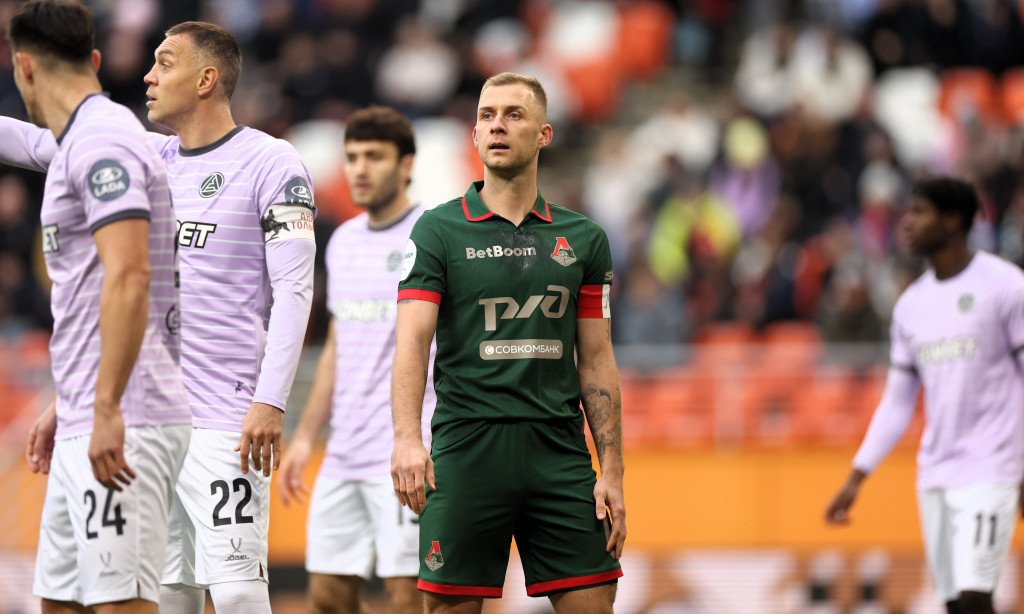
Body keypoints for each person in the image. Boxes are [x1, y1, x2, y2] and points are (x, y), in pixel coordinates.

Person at [0, 21, 316, 614]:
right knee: (169, 594)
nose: (147, 76)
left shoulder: (271, 162)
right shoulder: (148, 156)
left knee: (238, 591)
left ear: (206, 79)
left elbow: (295, 289)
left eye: (164, 63)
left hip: (229, 417)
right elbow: (36, 142)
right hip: (155, 419)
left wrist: (271, 401)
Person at [391, 72, 626, 614]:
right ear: (474, 135)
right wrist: (406, 439)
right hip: (466, 452)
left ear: (544, 135)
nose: (497, 125)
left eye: (514, 115)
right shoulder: (437, 231)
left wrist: (612, 470)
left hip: (560, 455)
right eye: (487, 116)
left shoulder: (584, 239)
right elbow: (412, 344)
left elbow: (596, 360)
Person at [12, 1, 191, 613]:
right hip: (89, 409)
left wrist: (108, 404)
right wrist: (70, 399)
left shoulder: (101, 142)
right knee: (60, 603)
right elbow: (93, 289)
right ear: (92, 60)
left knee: (120, 604)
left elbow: (130, 275)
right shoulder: (81, 141)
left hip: (128, 414)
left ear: (24, 68)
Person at [825, 177, 1024, 614]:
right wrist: (857, 476)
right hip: (935, 471)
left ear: (952, 220)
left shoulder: (1006, 287)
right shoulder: (911, 306)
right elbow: (898, 402)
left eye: (919, 212)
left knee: (975, 597)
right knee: (955, 604)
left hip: (992, 466)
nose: (907, 223)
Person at [278, 105, 434, 614]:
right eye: (352, 157)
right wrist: (306, 435)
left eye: (374, 156)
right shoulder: (342, 241)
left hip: (407, 451)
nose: (360, 169)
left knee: (407, 600)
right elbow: (337, 347)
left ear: (406, 164)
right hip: (344, 451)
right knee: (327, 597)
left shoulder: (432, 234)